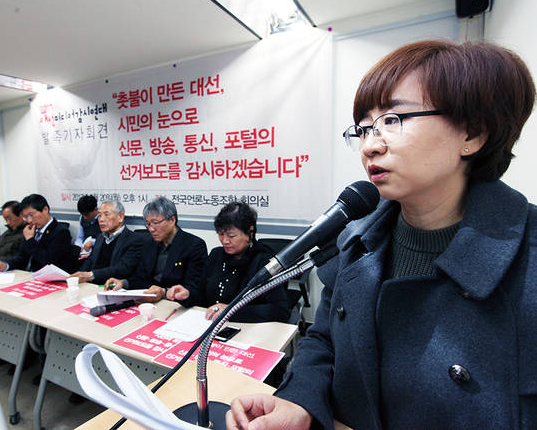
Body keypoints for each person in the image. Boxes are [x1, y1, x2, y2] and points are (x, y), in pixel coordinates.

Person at [227, 40, 537, 429]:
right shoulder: (357, 240)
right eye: (364, 128)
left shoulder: (527, 257)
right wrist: (299, 400)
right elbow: (324, 339)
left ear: (471, 135)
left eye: (393, 120)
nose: (370, 146)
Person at [167, 201, 289, 322]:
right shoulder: (216, 255)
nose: (225, 241)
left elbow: (279, 311)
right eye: (221, 234)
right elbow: (201, 295)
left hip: (248, 328)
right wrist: (187, 294)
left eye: (231, 236)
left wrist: (230, 311)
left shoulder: (264, 262)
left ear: (250, 232)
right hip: (210, 324)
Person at [106, 196, 207, 303]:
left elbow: (194, 289)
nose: (151, 229)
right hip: (148, 302)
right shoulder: (148, 243)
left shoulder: (194, 245)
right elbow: (141, 278)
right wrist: (123, 283)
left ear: (172, 220)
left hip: (175, 304)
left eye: (155, 223)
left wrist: (164, 292)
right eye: (148, 224)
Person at [0, 194, 74, 273]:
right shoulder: (31, 230)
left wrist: (30, 240)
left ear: (45, 210)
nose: (29, 220)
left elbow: (48, 261)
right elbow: (22, 258)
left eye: (31, 215)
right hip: (30, 276)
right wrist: (6, 265)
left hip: (51, 278)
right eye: (25, 217)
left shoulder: (61, 231)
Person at [68, 199, 143, 284]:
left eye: (106, 215)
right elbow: (90, 261)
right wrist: (79, 274)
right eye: (99, 215)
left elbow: (122, 269)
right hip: (92, 285)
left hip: (112, 287)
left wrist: (90, 275)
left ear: (120, 217)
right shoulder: (100, 237)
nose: (101, 219)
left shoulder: (133, 239)